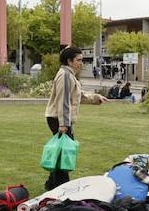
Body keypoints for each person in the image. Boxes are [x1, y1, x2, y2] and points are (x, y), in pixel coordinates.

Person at [44, 45, 105, 189]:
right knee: (64, 152)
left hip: (59, 119)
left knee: (61, 151)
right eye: (78, 60)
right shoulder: (65, 75)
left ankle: (53, 183)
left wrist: (96, 98)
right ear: (69, 61)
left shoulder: (69, 75)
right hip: (58, 119)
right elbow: (63, 101)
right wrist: (64, 124)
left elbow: (77, 97)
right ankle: (60, 185)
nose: (81, 63)